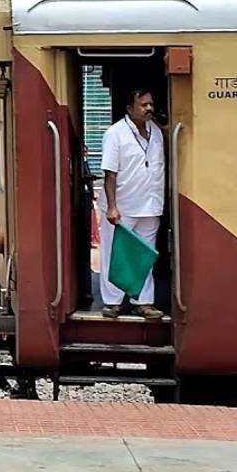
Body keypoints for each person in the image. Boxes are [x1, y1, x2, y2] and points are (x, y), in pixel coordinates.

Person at [97, 88, 165, 319]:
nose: (149, 108)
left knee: (144, 255)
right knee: (114, 253)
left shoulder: (155, 131)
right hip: (122, 206)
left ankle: (144, 302)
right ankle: (112, 302)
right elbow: (110, 173)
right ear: (129, 108)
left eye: (150, 104)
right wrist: (113, 206)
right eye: (143, 105)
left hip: (150, 204)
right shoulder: (115, 133)